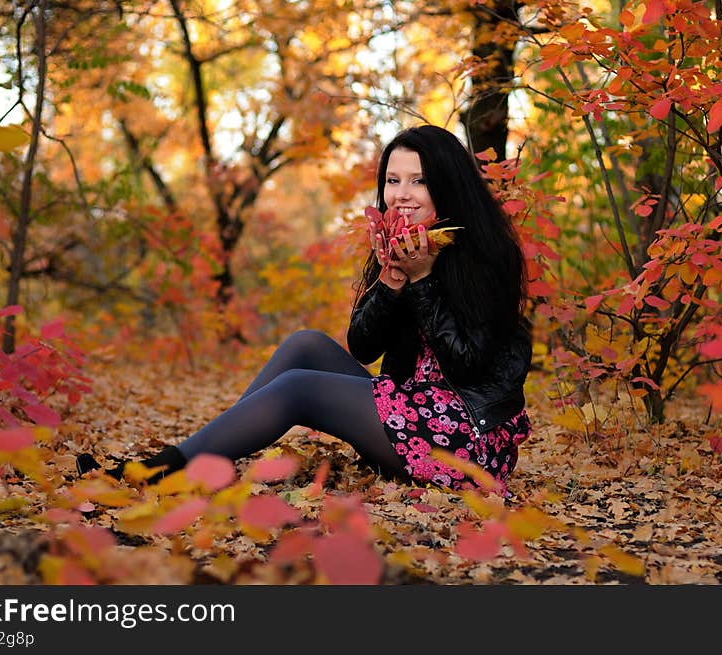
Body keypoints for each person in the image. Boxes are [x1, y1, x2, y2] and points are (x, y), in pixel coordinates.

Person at [77, 124, 532, 493]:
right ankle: (208, 456)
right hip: (410, 413)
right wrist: (392, 281)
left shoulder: (486, 254)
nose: (401, 194)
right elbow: (363, 347)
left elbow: (468, 365)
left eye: (419, 180)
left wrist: (423, 279)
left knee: (300, 388)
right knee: (305, 346)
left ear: (448, 187)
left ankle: (158, 471)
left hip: (464, 439)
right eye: (392, 180)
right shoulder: (404, 247)